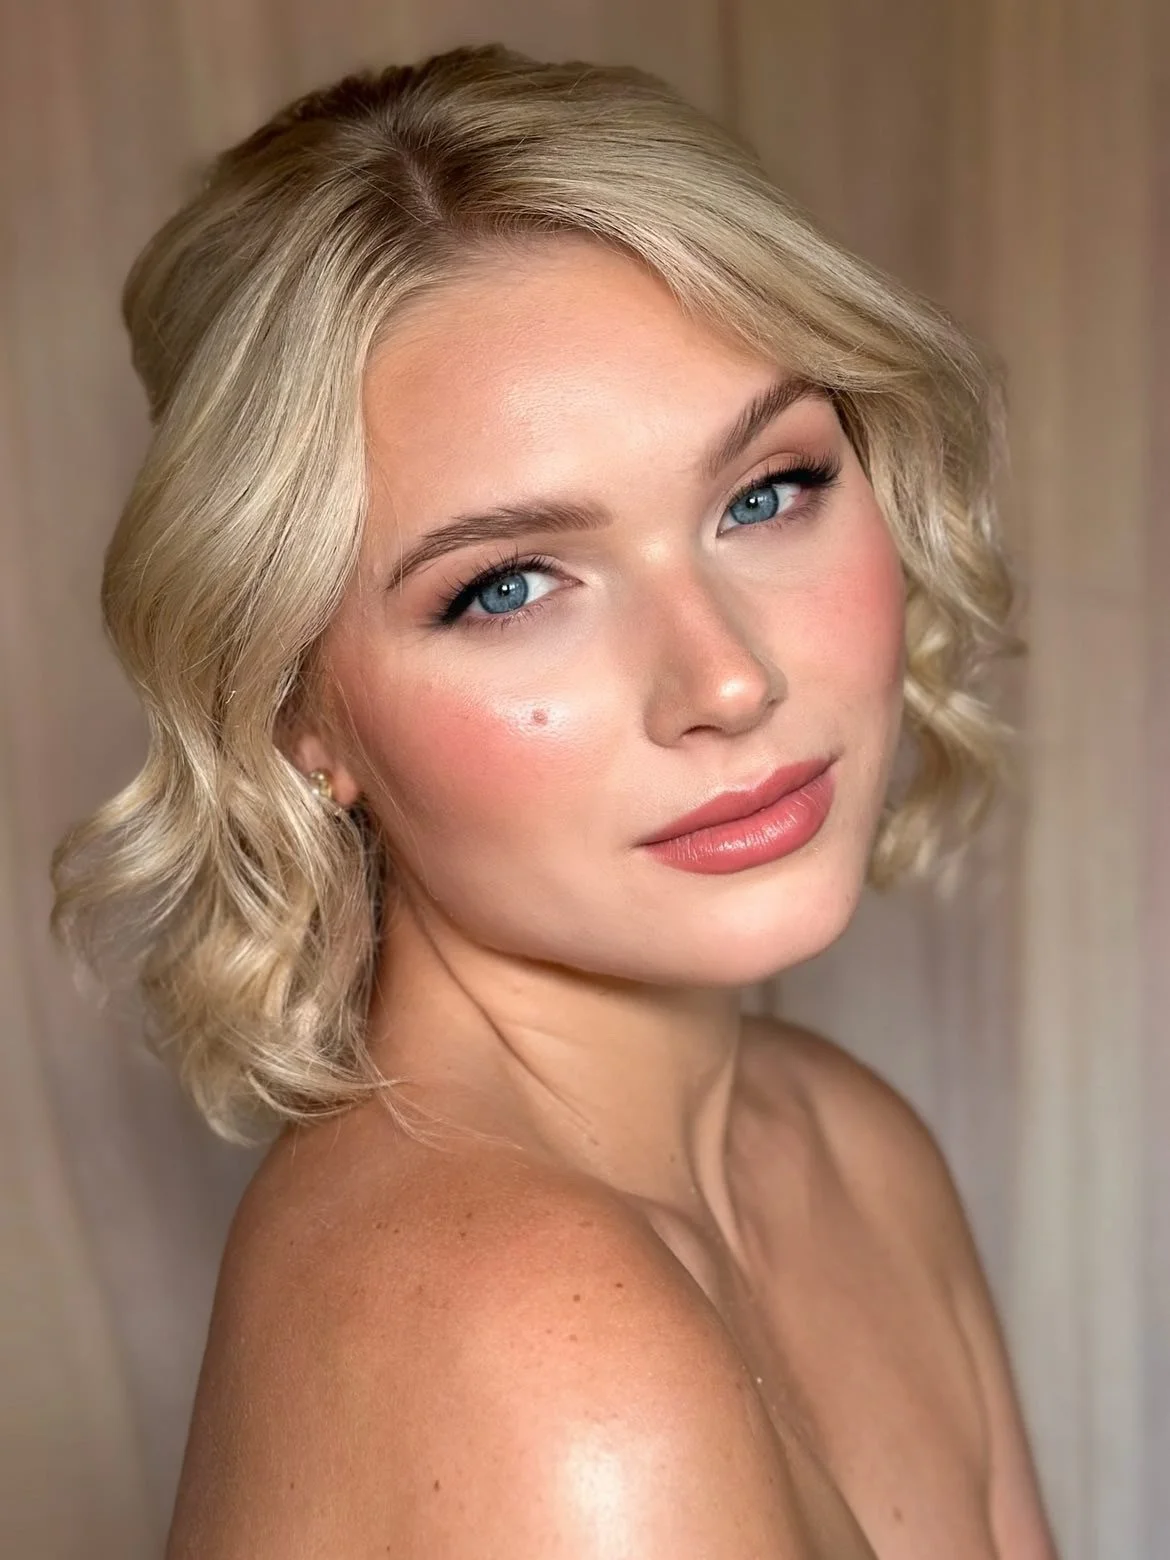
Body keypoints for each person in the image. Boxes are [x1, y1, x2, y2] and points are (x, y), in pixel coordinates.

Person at [49, 41, 1059, 1559]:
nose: (723, 679)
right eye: (509, 586)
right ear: (295, 710)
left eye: (764, 493)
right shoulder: (545, 1354)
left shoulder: (845, 1149)